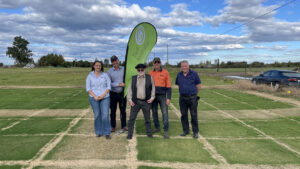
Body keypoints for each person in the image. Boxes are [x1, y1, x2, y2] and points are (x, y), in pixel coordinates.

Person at [127, 63, 155, 139]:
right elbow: (129, 90)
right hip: (135, 102)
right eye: (139, 70)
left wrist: (152, 98)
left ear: (144, 70)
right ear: (137, 70)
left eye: (142, 69)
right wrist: (129, 100)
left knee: (147, 119)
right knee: (131, 119)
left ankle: (149, 133)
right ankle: (129, 134)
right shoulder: (133, 78)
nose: (140, 71)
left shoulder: (150, 78)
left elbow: (153, 89)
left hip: (146, 102)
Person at [175, 60, 201, 139]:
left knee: (193, 115)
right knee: (184, 115)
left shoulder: (194, 74)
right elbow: (179, 85)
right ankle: (185, 130)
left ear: (188, 66)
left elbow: (199, 85)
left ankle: (195, 132)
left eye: (185, 66)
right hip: (182, 98)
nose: (184, 67)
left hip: (192, 98)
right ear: (181, 67)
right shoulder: (179, 75)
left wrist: (194, 93)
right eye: (182, 66)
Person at [86, 60, 111, 140]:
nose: (98, 67)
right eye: (96, 65)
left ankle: (107, 132)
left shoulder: (105, 75)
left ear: (101, 67)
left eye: (99, 65)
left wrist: (103, 95)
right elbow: (88, 88)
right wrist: (95, 96)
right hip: (94, 98)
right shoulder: (89, 76)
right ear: (93, 66)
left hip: (105, 98)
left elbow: (108, 87)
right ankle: (99, 132)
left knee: (105, 115)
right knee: (97, 115)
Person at [149, 57, 171, 139]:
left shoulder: (165, 72)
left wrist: (168, 98)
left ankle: (165, 131)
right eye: (155, 62)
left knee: (165, 113)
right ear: (153, 64)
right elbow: (148, 86)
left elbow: (168, 86)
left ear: (160, 63)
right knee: (154, 112)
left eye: (158, 62)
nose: (157, 64)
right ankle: (157, 127)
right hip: (153, 96)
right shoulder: (150, 73)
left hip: (162, 96)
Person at [107, 55, 128, 132]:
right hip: (113, 94)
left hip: (122, 93)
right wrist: (118, 84)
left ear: (118, 60)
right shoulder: (109, 72)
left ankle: (124, 125)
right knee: (112, 111)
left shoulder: (124, 69)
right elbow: (109, 83)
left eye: (116, 60)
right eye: (113, 61)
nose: (115, 62)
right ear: (111, 62)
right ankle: (112, 126)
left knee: (123, 110)